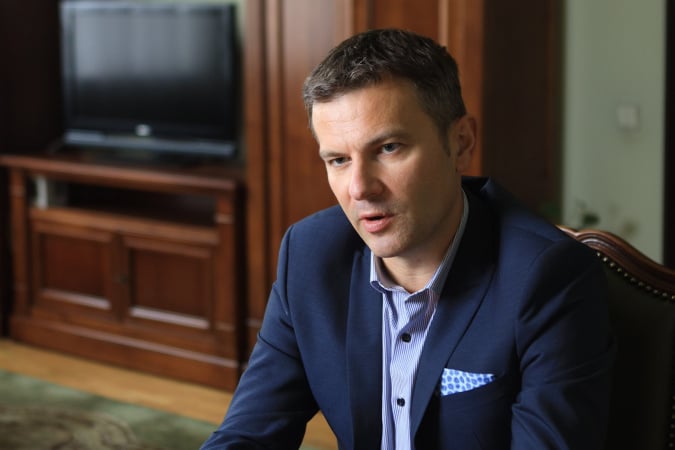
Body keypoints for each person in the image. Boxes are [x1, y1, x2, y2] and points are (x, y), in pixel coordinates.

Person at [201, 28, 614, 449]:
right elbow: (247, 433)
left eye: (388, 148)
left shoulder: (547, 277)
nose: (360, 188)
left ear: (461, 143)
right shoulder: (310, 255)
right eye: (339, 160)